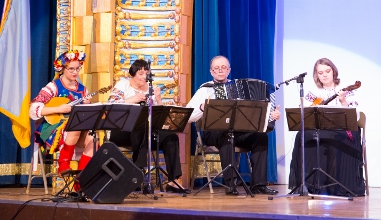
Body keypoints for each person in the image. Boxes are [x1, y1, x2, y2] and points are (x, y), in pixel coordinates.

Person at [186, 55, 281, 195]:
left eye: (223, 67)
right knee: (226, 135)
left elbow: (253, 115)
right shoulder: (204, 90)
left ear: (229, 70)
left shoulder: (240, 87)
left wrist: (270, 116)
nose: (220, 70)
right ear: (211, 72)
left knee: (261, 137)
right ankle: (231, 184)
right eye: (216, 68)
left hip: (239, 131)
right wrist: (201, 107)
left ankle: (259, 185)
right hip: (213, 132)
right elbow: (189, 117)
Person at [107, 59, 190, 194]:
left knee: (170, 137)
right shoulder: (123, 84)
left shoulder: (150, 88)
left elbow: (158, 117)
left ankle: (173, 180)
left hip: (145, 131)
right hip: (122, 131)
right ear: (133, 74)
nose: (144, 76)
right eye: (140, 73)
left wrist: (158, 99)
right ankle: (137, 177)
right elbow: (111, 105)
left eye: (146, 73)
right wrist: (132, 100)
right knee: (140, 131)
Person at [288, 57, 365, 196]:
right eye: (320, 72)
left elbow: (356, 116)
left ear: (333, 71)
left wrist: (342, 101)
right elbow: (304, 113)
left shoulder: (346, 89)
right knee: (303, 135)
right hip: (321, 128)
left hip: (342, 129)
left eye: (327, 71)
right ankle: (311, 184)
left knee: (332, 136)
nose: (324, 75)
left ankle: (338, 186)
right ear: (316, 75)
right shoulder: (314, 93)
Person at [29, 50, 94, 178]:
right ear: (62, 69)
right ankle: (63, 164)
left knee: (93, 140)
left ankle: (81, 178)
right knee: (75, 126)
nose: (75, 72)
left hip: (75, 128)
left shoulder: (83, 89)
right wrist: (59, 108)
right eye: (71, 69)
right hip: (54, 128)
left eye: (77, 68)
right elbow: (33, 108)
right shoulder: (54, 86)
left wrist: (87, 105)